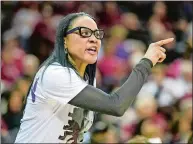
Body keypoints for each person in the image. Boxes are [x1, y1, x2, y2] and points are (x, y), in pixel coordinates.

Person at [15, 12, 174, 143]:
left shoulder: (85, 79)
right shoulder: (55, 74)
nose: (93, 39)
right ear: (64, 41)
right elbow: (116, 106)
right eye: (84, 33)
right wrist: (146, 63)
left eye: (97, 34)